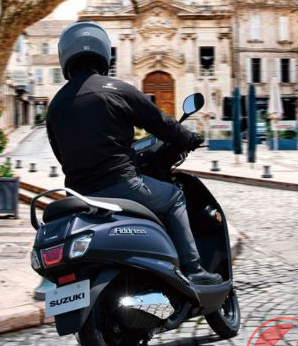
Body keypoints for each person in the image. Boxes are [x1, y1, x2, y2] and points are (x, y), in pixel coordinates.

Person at [46, 21, 221, 285]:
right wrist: (189, 138)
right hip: (119, 184)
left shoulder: (56, 105)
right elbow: (162, 123)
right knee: (174, 197)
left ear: (65, 56)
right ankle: (194, 269)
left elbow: (60, 154)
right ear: (103, 53)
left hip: (77, 193)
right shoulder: (116, 89)